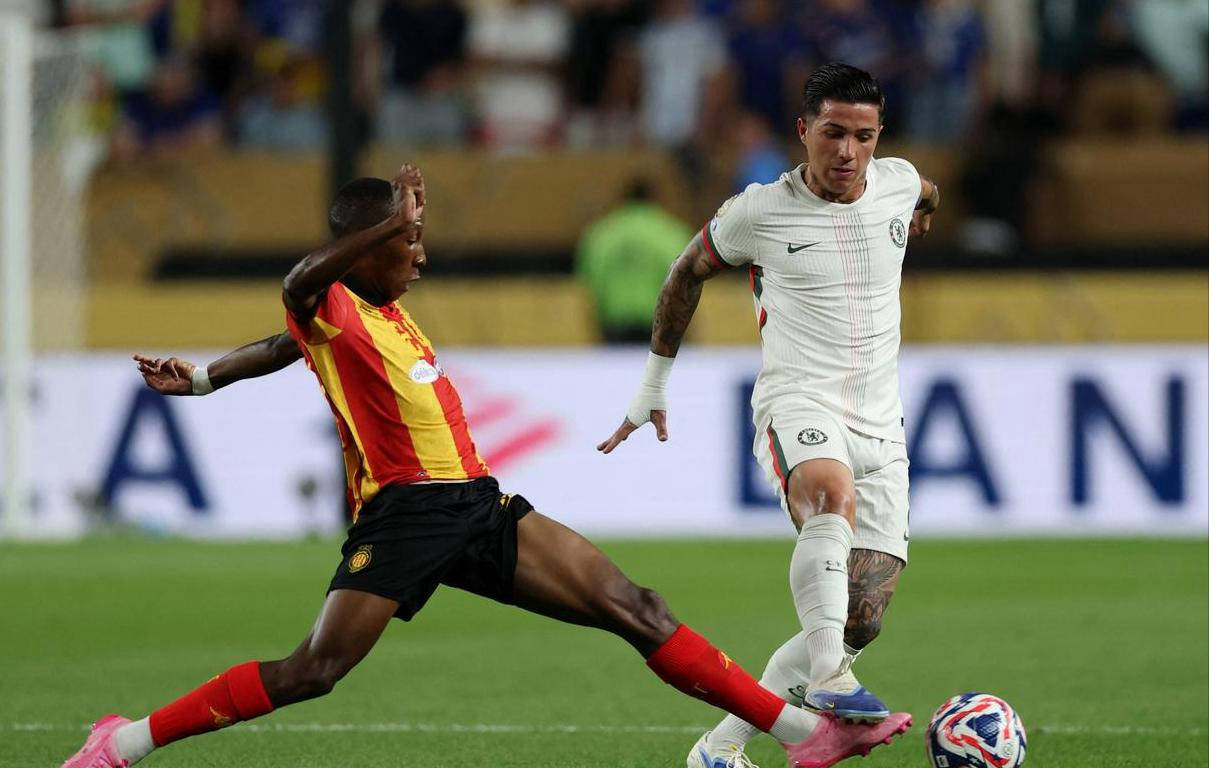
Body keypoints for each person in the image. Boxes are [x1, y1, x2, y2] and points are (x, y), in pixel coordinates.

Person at [62, 165, 911, 768]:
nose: (420, 255)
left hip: (475, 505)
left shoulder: (372, 310)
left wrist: (205, 377)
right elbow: (294, 295)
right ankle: (121, 743)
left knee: (637, 607)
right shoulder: (331, 300)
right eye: (408, 242)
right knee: (311, 672)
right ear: (363, 244)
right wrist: (383, 228)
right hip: (403, 516)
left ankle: (804, 737)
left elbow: (282, 345)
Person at [597, 63, 940, 768]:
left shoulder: (899, 183)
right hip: (799, 400)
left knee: (860, 617)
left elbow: (926, 189)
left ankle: (721, 748)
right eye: (833, 133)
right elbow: (684, 272)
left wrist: (924, 207)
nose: (847, 151)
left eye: (864, 137)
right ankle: (830, 682)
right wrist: (654, 381)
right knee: (829, 498)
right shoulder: (758, 211)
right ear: (803, 130)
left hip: (882, 422)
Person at [576, 179, 693, 344]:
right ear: (655, 200)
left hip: (614, 324)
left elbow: (590, 279)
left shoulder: (601, 234)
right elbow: (685, 280)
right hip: (659, 323)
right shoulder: (672, 232)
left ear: (624, 200)